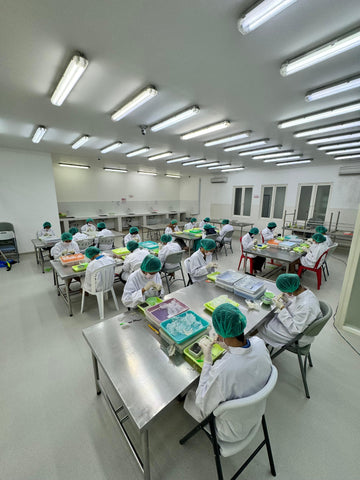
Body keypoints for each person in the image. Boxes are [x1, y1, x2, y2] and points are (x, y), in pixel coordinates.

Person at [184, 304, 272, 441]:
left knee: (190, 397)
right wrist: (228, 347)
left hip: (230, 431)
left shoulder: (223, 371)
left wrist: (207, 361)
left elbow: (202, 404)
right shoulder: (259, 343)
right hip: (255, 414)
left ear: (220, 334)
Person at [256, 274, 321, 348]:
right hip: (300, 325)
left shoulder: (306, 306)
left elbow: (295, 329)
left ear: (290, 292)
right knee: (271, 317)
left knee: (263, 325)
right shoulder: (305, 292)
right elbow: (296, 308)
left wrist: (282, 308)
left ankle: (259, 347)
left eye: (285, 291)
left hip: (297, 337)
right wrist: (287, 301)